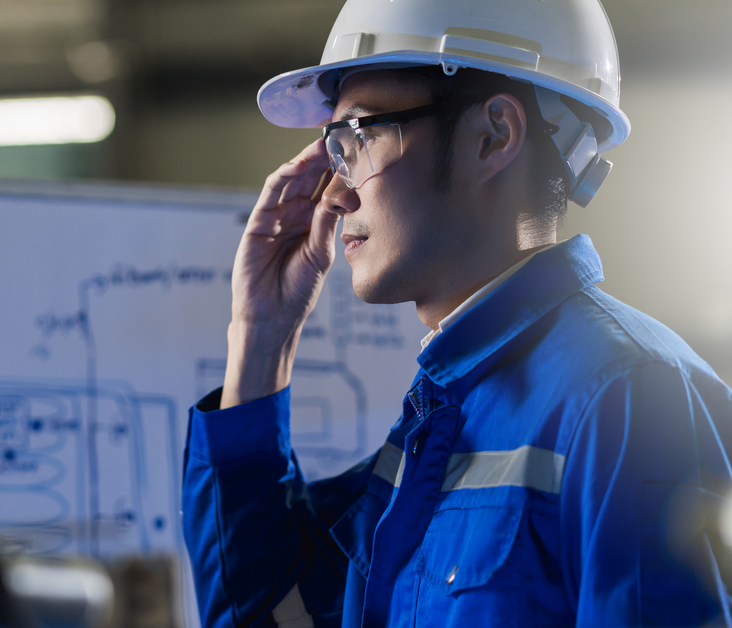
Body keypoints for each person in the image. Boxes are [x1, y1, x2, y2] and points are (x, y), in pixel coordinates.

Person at [181, 0, 732, 626]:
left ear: (493, 135)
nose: (334, 194)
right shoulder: (438, 416)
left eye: (361, 137)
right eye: (336, 151)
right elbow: (272, 616)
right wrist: (262, 335)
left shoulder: (632, 398)